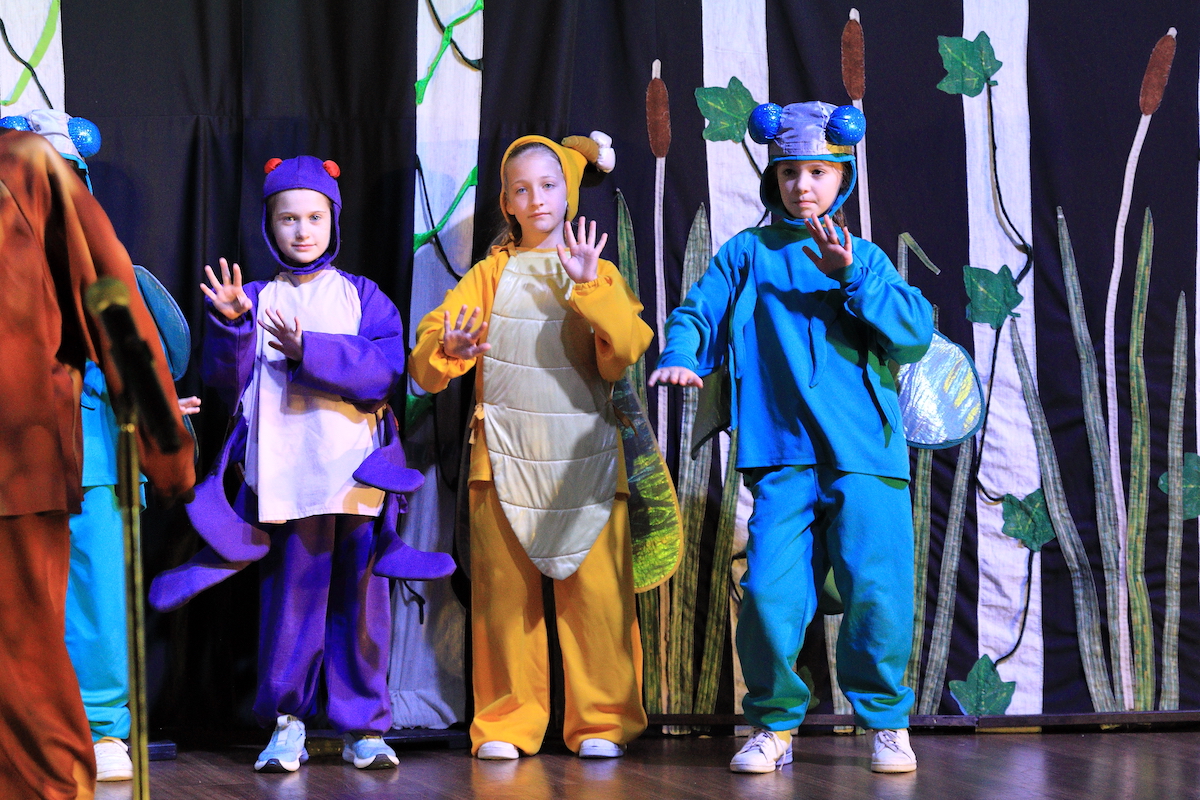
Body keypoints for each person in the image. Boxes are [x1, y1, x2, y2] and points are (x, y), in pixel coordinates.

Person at [650, 101, 933, 775]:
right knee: (770, 596)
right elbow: (698, 311)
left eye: (817, 172)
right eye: (788, 172)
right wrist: (684, 351)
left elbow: (914, 332)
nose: (802, 185)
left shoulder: (863, 257)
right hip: (780, 456)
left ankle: (887, 723)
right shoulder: (746, 254)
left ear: (842, 177)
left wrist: (851, 275)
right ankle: (773, 725)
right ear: (772, 178)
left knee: (878, 592)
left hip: (866, 455)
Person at [152, 155, 453, 773]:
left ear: (333, 220)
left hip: (356, 480)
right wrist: (234, 326)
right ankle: (287, 723)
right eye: (288, 218)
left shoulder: (363, 296)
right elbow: (227, 384)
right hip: (288, 481)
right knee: (292, 607)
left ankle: (363, 727)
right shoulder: (255, 298)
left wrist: (307, 349)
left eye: (315, 217)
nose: (302, 229)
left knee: (361, 609)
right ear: (269, 225)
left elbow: (383, 373)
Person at [410, 132, 650, 760]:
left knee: (598, 602)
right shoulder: (489, 275)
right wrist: (449, 348)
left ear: (568, 192)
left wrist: (590, 287)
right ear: (506, 203)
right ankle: (506, 722)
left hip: (585, 462)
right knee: (505, 603)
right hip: (501, 460)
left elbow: (625, 351)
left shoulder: (599, 269)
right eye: (521, 189)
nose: (536, 198)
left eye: (548, 185)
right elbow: (428, 356)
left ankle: (603, 722)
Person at [0, 128, 195, 800]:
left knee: (95, 595)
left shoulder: (91, 257)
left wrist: (162, 439)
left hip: (88, 457)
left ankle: (103, 729)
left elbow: (137, 342)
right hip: (29, 455)